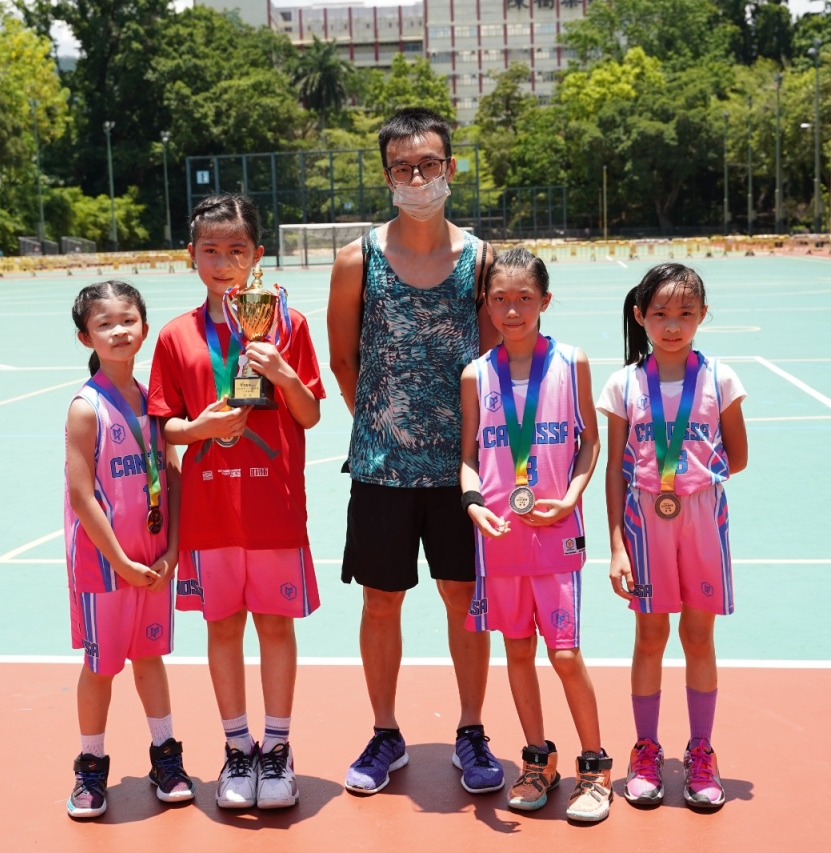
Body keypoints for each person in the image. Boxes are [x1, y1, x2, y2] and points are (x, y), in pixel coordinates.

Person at [327, 107, 504, 795]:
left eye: (429, 164)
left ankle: (471, 730)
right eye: (403, 167)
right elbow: (343, 359)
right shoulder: (357, 260)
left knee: (464, 598)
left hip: (462, 472)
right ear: (386, 176)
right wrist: (382, 426)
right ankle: (385, 732)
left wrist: (471, 450)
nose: (418, 178)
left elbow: (491, 364)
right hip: (381, 468)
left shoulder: (482, 261)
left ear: (451, 168)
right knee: (381, 601)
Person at [148, 194, 324, 810]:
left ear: (258, 255)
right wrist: (201, 428)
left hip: (273, 506)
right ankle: (236, 747)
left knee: (274, 625)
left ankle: (277, 748)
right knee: (222, 627)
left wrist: (282, 372)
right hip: (210, 511)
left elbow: (309, 414)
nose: (223, 263)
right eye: (211, 250)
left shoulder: (288, 326)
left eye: (236, 250)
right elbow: (165, 428)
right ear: (191, 255)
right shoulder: (175, 336)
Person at [458, 249, 612, 821]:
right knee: (517, 649)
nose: (512, 310)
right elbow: (468, 458)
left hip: (556, 535)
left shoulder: (572, 362)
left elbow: (590, 443)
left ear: (545, 300)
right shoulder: (476, 374)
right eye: (500, 299)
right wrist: (473, 504)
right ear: (486, 304)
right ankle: (537, 761)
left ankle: (594, 767)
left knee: (565, 654)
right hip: (500, 538)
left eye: (524, 298)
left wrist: (571, 497)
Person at [597, 263, 748, 811]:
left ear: (703, 315)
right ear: (640, 316)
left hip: (702, 516)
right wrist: (617, 545)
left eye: (686, 313)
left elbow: (739, 456)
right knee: (650, 636)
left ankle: (701, 750)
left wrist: (691, 477)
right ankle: (646, 749)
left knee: (699, 637)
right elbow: (614, 470)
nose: (673, 324)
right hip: (644, 521)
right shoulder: (623, 384)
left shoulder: (721, 379)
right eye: (660, 313)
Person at [63, 280, 192, 819]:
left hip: (154, 558)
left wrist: (173, 549)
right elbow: (81, 494)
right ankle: (90, 766)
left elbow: (173, 475)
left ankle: (166, 756)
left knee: (150, 657)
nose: (118, 331)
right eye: (104, 324)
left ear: (144, 327)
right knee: (101, 667)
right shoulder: (86, 408)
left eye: (128, 320)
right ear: (85, 337)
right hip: (106, 563)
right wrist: (119, 560)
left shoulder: (156, 403)